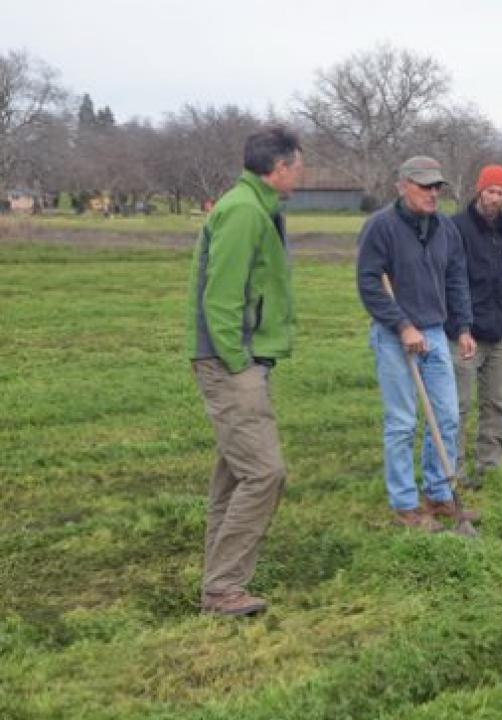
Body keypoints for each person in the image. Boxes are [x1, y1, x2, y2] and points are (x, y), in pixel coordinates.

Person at [187, 126, 304, 617]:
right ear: (279, 167)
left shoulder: (259, 207)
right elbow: (222, 295)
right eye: (299, 164)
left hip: (243, 359)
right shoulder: (242, 211)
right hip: (231, 362)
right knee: (264, 473)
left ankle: (219, 578)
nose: (302, 172)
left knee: (235, 476)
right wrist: (239, 363)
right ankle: (223, 589)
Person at [357, 156, 479, 534]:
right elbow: (369, 283)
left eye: (437, 186)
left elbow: (457, 278)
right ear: (402, 185)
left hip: (437, 332)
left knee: (447, 416)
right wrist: (402, 325)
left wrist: (462, 328)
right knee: (402, 422)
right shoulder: (381, 227)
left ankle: (438, 494)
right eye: (425, 186)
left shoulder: (445, 228)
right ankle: (405, 505)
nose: (433, 193)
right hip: (396, 336)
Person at [448, 164, 502, 488]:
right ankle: (452, 472)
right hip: (465, 334)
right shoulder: (454, 229)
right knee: (457, 406)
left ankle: (490, 466)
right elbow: (448, 282)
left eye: (501, 193)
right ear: (478, 190)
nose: (495, 198)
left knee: (499, 403)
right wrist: (459, 326)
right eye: (490, 191)